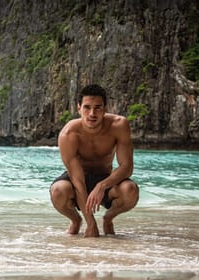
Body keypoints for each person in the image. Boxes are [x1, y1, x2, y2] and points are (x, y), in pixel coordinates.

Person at [50, 84, 139, 237]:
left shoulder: (118, 125)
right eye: (87, 107)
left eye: (98, 107)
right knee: (58, 191)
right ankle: (76, 220)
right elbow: (78, 181)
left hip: (105, 177)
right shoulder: (69, 134)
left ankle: (108, 218)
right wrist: (90, 223)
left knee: (130, 191)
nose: (92, 113)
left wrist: (102, 185)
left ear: (105, 108)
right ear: (78, 108)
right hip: (78, 178)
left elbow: (126, 167)